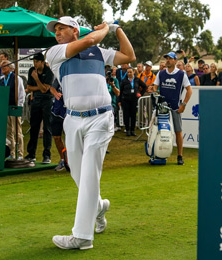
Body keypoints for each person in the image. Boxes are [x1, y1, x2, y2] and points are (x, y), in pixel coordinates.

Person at [46, 16, 135, 249]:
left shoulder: (99, 52)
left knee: (88, 174)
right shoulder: (55, 52)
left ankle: (82, 236)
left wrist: (118, 30)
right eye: (55, 29)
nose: (57, 32)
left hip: (101, 118)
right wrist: (106, 27)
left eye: (62, 28)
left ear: (75, 30)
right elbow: (89, 40)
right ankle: (99, 207)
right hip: (73, 120)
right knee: (77, 174)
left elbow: (129, 56)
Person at [148, 51, 192, 166]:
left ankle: (180, 156)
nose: (167, 60)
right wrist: (152, 89)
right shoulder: (161, 73)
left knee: (178, 131)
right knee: (157, 130)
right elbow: (155, 87)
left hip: (175, 107)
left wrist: (184, 104)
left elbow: (189, 90)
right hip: (162, 107)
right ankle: (157, 153)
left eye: (170, 58)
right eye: (166, 58)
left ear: (175, 61)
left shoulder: (181, 74)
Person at [24, 52, 54, 164]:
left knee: (47, 129)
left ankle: (47, 155)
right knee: (34, 128)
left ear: (42, 62)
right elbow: (29, 87)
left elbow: (44, 89)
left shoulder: (49, 72)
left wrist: (36, 79)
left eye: (36, 61)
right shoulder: (31, 70)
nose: (34, 64)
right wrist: (39, 87)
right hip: (36, 101)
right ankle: (31, 154)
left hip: (47, 102)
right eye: (33, 61)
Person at [0, 60, 25, 160]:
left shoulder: (16, 78)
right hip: (5, 108)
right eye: (1, 66)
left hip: (14, 108)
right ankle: (12, 152)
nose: (2, 68)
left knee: (17, 131)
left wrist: (19, 107)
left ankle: (20, 154)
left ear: (11, 68)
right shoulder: (2, 79)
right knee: (8, 132)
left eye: (5, 66)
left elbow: (21, 94)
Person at [119, 66, 147, 136]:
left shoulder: (137, 79)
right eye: (128, 72)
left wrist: (140, 94)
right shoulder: (124, 80)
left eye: (130, 72)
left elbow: (145, 86)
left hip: (134, 100)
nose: (129, 73)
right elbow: (120, 91)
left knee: (133, 115)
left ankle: (132, 130)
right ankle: (127, 130)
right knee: (126, 115)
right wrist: (119, 100)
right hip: (125, 100)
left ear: (134, 72)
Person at [49, 79, 69, 171]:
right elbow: (52, 88)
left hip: (70, 112)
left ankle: (70, 161)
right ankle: (62, 159)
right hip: (57, 111)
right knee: (56, 137)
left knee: (70, 138)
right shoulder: (59, 76)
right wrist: (56, 93)